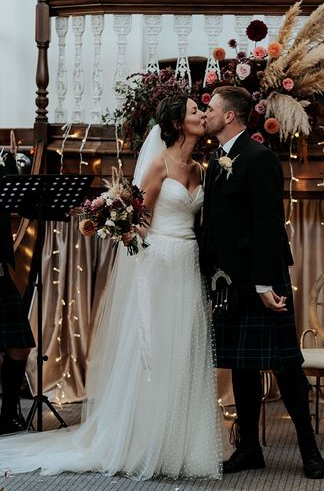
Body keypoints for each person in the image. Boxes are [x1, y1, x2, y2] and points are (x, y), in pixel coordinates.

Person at [0, 95, 222, 480]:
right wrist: (118, 222)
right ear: (175, 125)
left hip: (188, 264)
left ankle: (180, 443)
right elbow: (141, 220)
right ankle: (143, 440)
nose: (202, 114)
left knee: (183, 346)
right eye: (193, 111)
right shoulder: (158, 164)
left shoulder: (201, 170)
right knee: (153, 349)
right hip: (158, 262)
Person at [201, 85, 324, 479]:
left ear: (229, 117)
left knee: (285, 366)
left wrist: (261, 284)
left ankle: (310, 450)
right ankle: (249, 449)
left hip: (262, 280)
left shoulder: (260, 158)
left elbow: (270, 225)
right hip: (229, 281)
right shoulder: (215, 159)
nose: (206, 114)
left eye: (211, 109)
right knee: (241, 368)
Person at [0, 149, 35, 434]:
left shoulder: (4, 158)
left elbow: (21, 205)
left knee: (20, 344)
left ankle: (8, 414)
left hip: (0, 268)